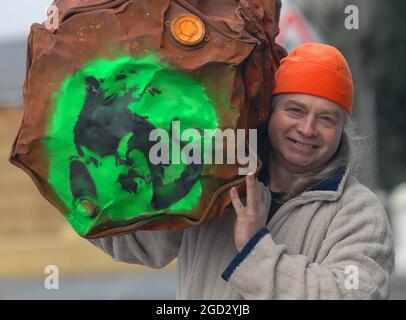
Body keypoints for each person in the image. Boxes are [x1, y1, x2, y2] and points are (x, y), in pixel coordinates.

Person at [89, 43, 395, 299]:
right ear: (270, 112)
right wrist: (88, 196)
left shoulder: (358, 212)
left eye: (326, 119)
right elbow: (141, 245)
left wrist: (254, 249)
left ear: (341, 130)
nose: (307, 129)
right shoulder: (217, 183)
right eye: (295, 110)